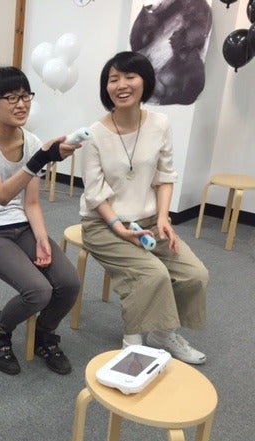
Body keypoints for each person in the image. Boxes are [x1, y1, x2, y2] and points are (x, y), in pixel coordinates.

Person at [79, 51, 208, 364]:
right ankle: (133, 342)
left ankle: (163, 333)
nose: (121, 85)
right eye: (113, 79)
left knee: (195, 274)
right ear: (106, 87)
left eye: (130, 77)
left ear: (145, 82)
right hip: (104, 224)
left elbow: (165, 176)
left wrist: (163, 217)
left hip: (149, 221)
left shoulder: (160, 124)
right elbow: (95, 194)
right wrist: (120, 229)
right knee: (152, 274)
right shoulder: (94, 135)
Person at [0, 66, 82, 376]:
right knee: (38, 291)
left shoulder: (32, 142)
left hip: (20, 224)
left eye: (26, 96)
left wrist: (41, 238)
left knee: (69, 283)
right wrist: (41, 159)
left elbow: (31, 203)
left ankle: (44, 333)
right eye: (11, 98)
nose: (21, 104)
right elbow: (1, 195)